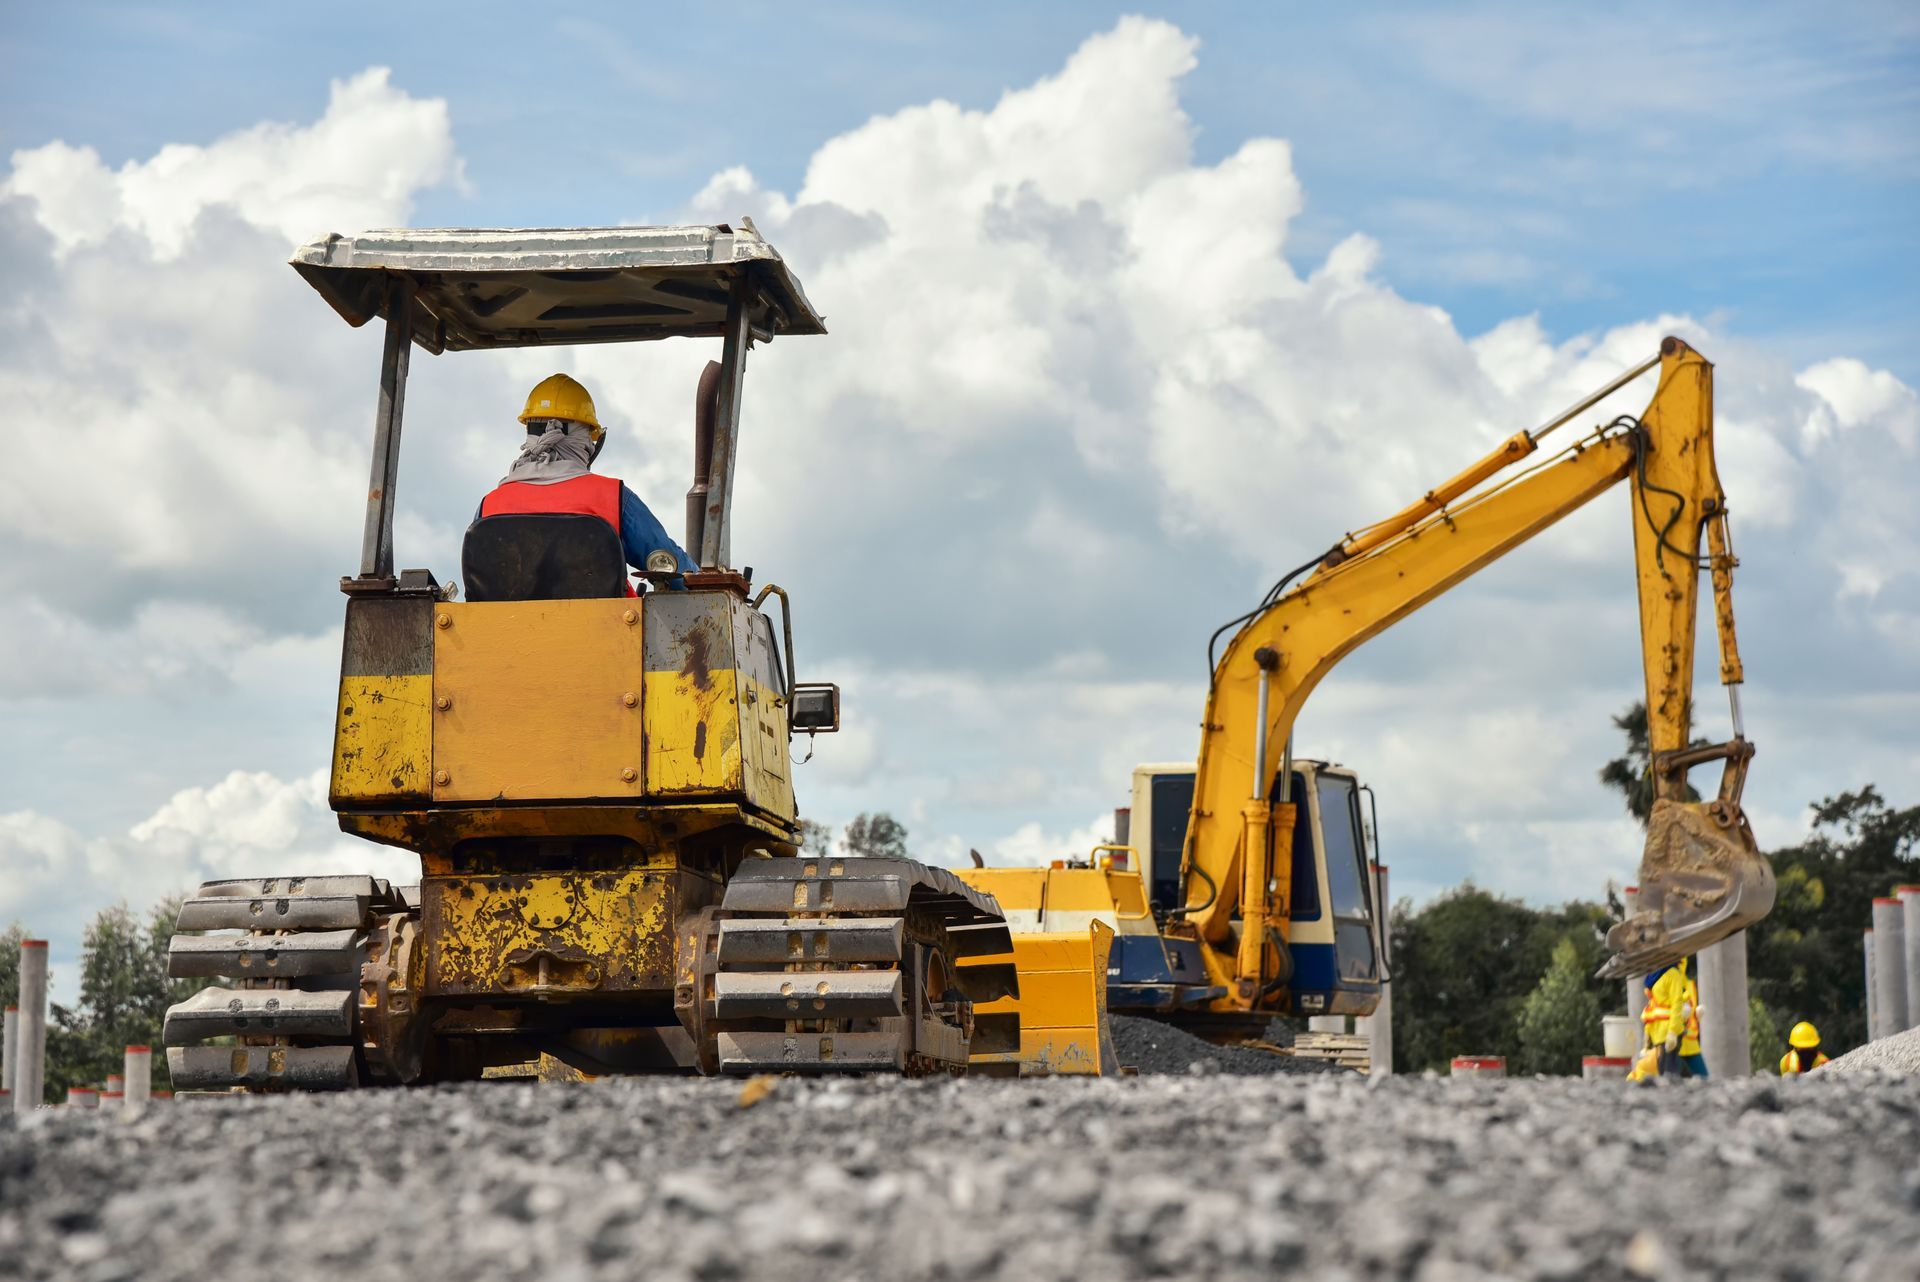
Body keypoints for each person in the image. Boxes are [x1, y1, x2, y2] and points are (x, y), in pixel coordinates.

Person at [478, 374, 697, 592]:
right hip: (612, 626)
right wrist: (704, 580)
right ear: (584, 438)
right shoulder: (613, 497)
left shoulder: (489, 506)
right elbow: (672, 567)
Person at [1645, 956, 1707, 1079]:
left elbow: (1681, 1005)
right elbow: (1652, 1011)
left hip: (1683, 1038)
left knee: (1672, 1076)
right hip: (1665, 1035)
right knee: (1670, 1076)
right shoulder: (1654, 980)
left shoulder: (1676, 978)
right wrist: (1647, 1041)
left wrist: (1695, 1014)